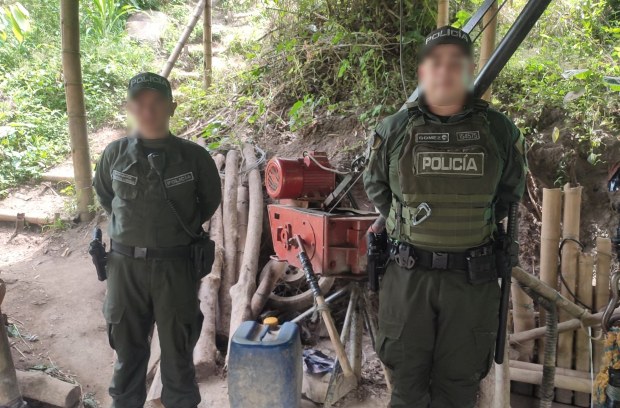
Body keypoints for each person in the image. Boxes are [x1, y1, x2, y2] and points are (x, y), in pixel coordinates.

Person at [363, 26, 526, 408]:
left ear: (470, 70)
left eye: (456, 62)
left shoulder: (499, 131)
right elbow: (377, 187)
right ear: (423, 71)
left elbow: (509, 195)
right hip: (408, 279)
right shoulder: (394, 130)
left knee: (459, 389)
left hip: (471, 282)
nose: (445, 71)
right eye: (436, 62)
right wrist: (409, 225)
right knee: (406, 386)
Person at [93, 72, 221, 408]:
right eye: (140, 103)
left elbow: (208, 202)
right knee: (127, 357)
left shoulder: (195, 158)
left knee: (178, 358)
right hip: (125, 270)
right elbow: (107, 197)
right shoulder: (114, 154)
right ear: (129, 108)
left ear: (172, 107)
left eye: (156, 103)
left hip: (175, 269)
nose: (148, 110)